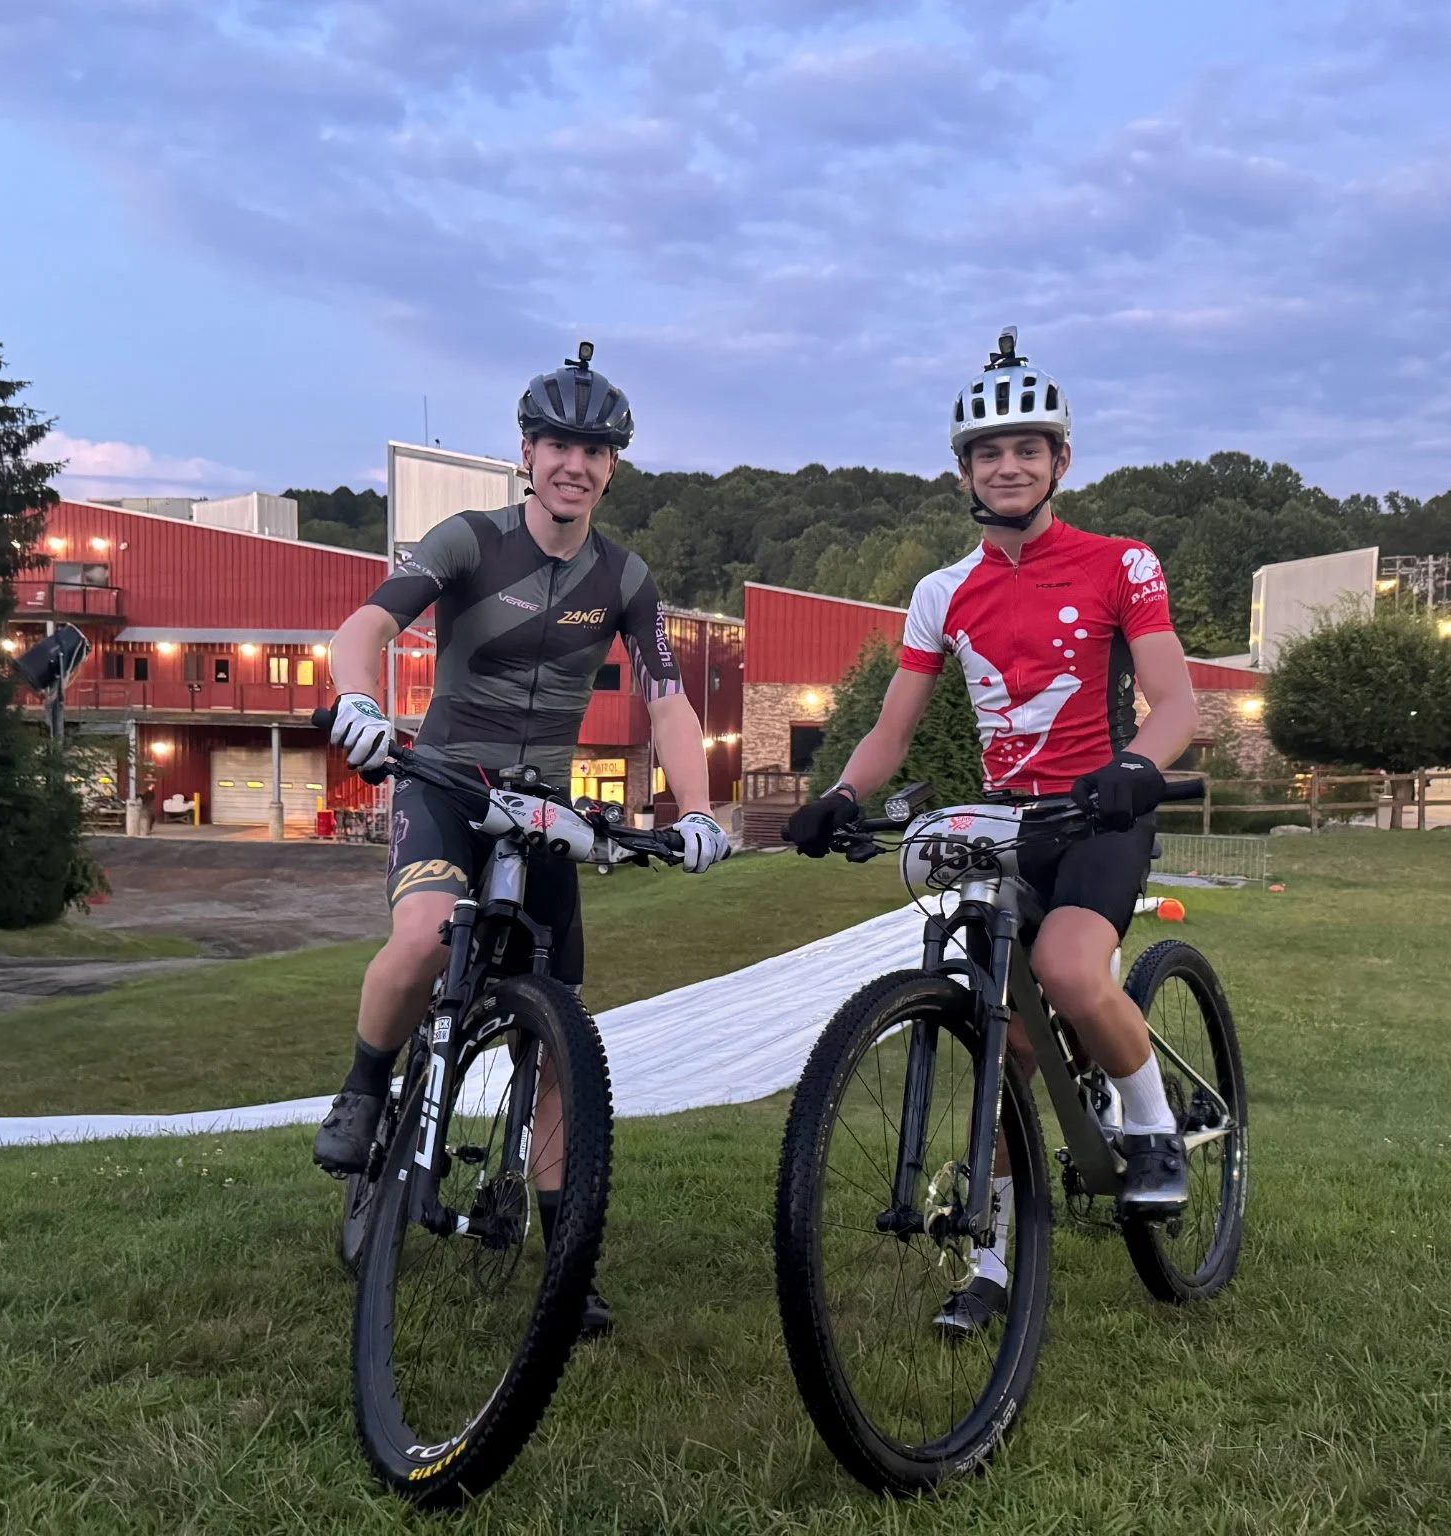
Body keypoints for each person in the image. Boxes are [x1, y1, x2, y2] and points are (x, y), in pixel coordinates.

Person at [784, 328, 1199, 1338]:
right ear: (963, 472)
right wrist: (839, 793)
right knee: (999, 1046)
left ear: (1058, 462)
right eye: (986, 454)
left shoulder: (1117, 564)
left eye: (1026, 450)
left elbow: (1175, 700)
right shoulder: (943, 591)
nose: (1006, 467)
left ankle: (1151, 1128)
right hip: (1005, 820)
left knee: (1065, 967)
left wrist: (1131, 772)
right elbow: (892, 726)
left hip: (1097, 809)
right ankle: (988, 1264)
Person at [313, 343, 729, 1337]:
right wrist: (359, 702)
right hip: (447, 780)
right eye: (556, 444)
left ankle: (565, 1263)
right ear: (526, 451)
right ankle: (366, 1092)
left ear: (611, 466)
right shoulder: (467, 540)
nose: (572, 463)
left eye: (593, 449)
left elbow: (667, 702)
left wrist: (700, 808)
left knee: (558, 1040)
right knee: (419, 940)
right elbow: (361, 629)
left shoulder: (623, 575)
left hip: (546, 807)